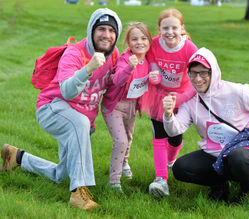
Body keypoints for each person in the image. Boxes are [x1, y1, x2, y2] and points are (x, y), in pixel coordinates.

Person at [1, 8, 122, 210]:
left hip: (79, 120)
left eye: (111, 30)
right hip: (52, 108)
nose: (107, 35)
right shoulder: (74, 53)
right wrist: (88, 69)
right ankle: (79, 194)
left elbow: (114, 85)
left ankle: (17, 157)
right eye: (101, 29)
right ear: (92, 30)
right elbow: (66, 91)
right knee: (79, 125)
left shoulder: (113, 55)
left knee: (63, 175)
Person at [162, 47, 249, 203]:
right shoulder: (191, 103)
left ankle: (246, 190)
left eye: (203, 73)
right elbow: (175, 130)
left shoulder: (237, 91)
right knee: (180, 168)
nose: (198, 79)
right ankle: (219, 184)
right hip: (213, 154)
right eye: (193, 73)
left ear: (213, 72)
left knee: (238, 157)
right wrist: (168, 114)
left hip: (243, 150)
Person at [140, 8, 198, 198]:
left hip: (181, 96)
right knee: (159, 136)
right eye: (165, 28)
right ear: (159, 29)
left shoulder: (189, 48)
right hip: (158, 96)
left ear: (182, 28)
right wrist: (153, 78)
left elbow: (195, 79)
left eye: (174, 27)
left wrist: (179, 98)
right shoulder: (154, 45)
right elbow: (151, 70)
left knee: (175, 137)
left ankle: (171, 160)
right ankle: (161, 179)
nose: (170, 32)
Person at [101, 22, 152, 192]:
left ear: (149, 41)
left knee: (128, 138)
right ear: (128, 43)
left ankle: (124, 163)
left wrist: (154, 79)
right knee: (120, 141)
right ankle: (114, 182)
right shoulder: (126, 59)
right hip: (114, 106)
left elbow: (148, 82)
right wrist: (130, 66)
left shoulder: (148, 61)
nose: (139, 42)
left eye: (143, 38)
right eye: (135, 39)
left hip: (131, 107)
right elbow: (116, 80)